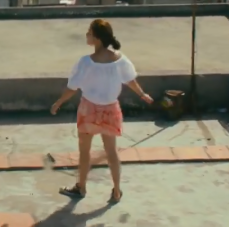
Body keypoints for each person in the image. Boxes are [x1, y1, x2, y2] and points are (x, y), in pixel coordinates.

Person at [50, 19, 153, 203]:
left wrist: (59, 102)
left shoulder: (85, 62)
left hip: (88, 109)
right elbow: (130, 80)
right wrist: (142, 94)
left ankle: (81, 187)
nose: (87, 35)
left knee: (84, 151)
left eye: (89, 32)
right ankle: (117, 190)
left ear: (97, 38)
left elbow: (73, 87)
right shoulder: (120, 60)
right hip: (110, 110)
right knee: (111, 151)